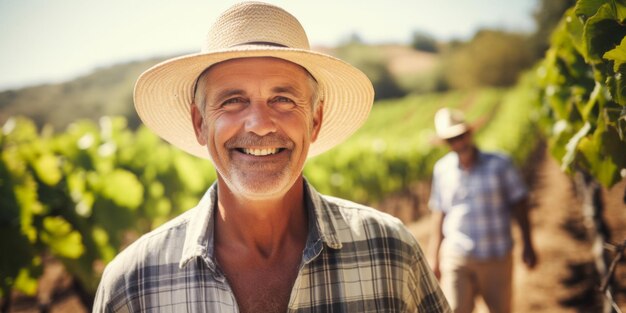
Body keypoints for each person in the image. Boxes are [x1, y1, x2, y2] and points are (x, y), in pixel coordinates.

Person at [93, 2, 450, 312]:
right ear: (200, 123)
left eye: (283, 99)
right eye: (233, 100)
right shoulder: (132, 285)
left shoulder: (391, 252)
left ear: (315, 120)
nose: (260, 125)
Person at [426, 108, 537, 313]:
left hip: (496, 255)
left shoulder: (500, 164)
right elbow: (439, 213)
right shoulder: (442, 170)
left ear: (470, 134)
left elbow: (519, 204)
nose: (458, 143)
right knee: (455, 309)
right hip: (456, 256)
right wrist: (434, 257)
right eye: (451, 140)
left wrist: (528, 244)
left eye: (460, 136)